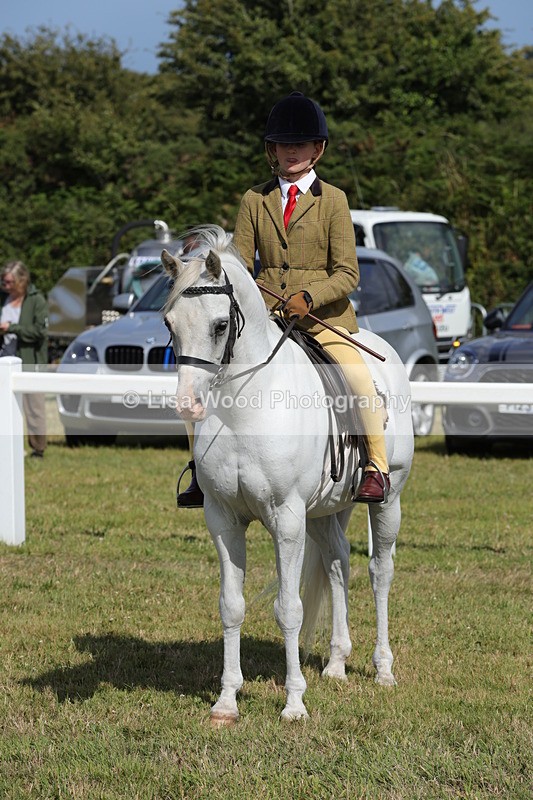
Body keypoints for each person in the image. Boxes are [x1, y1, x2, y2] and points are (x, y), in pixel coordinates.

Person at [178, 91, 389, 507]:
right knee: (206, 378)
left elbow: (347, 272)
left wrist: (310, 296)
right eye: (283, 144)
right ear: (272, 150)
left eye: (301, 144)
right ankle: (200, 471)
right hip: (268, 317)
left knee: (358, 378)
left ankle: (375, 466)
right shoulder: (254, 200)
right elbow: (237, 266)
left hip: (324, 318)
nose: (291, 151)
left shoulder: (334, 201)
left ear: (317, 149)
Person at [0, 261, 48, 458]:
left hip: (29, 359)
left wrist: (11, 328)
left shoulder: (36, 301)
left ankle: (38, 448)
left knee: (33, 406)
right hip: (4, 357)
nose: (6, 285)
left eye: (10, 282)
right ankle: (8, 445)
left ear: (22, 280)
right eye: (4, 282)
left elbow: (39, 331)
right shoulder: (3, 298)